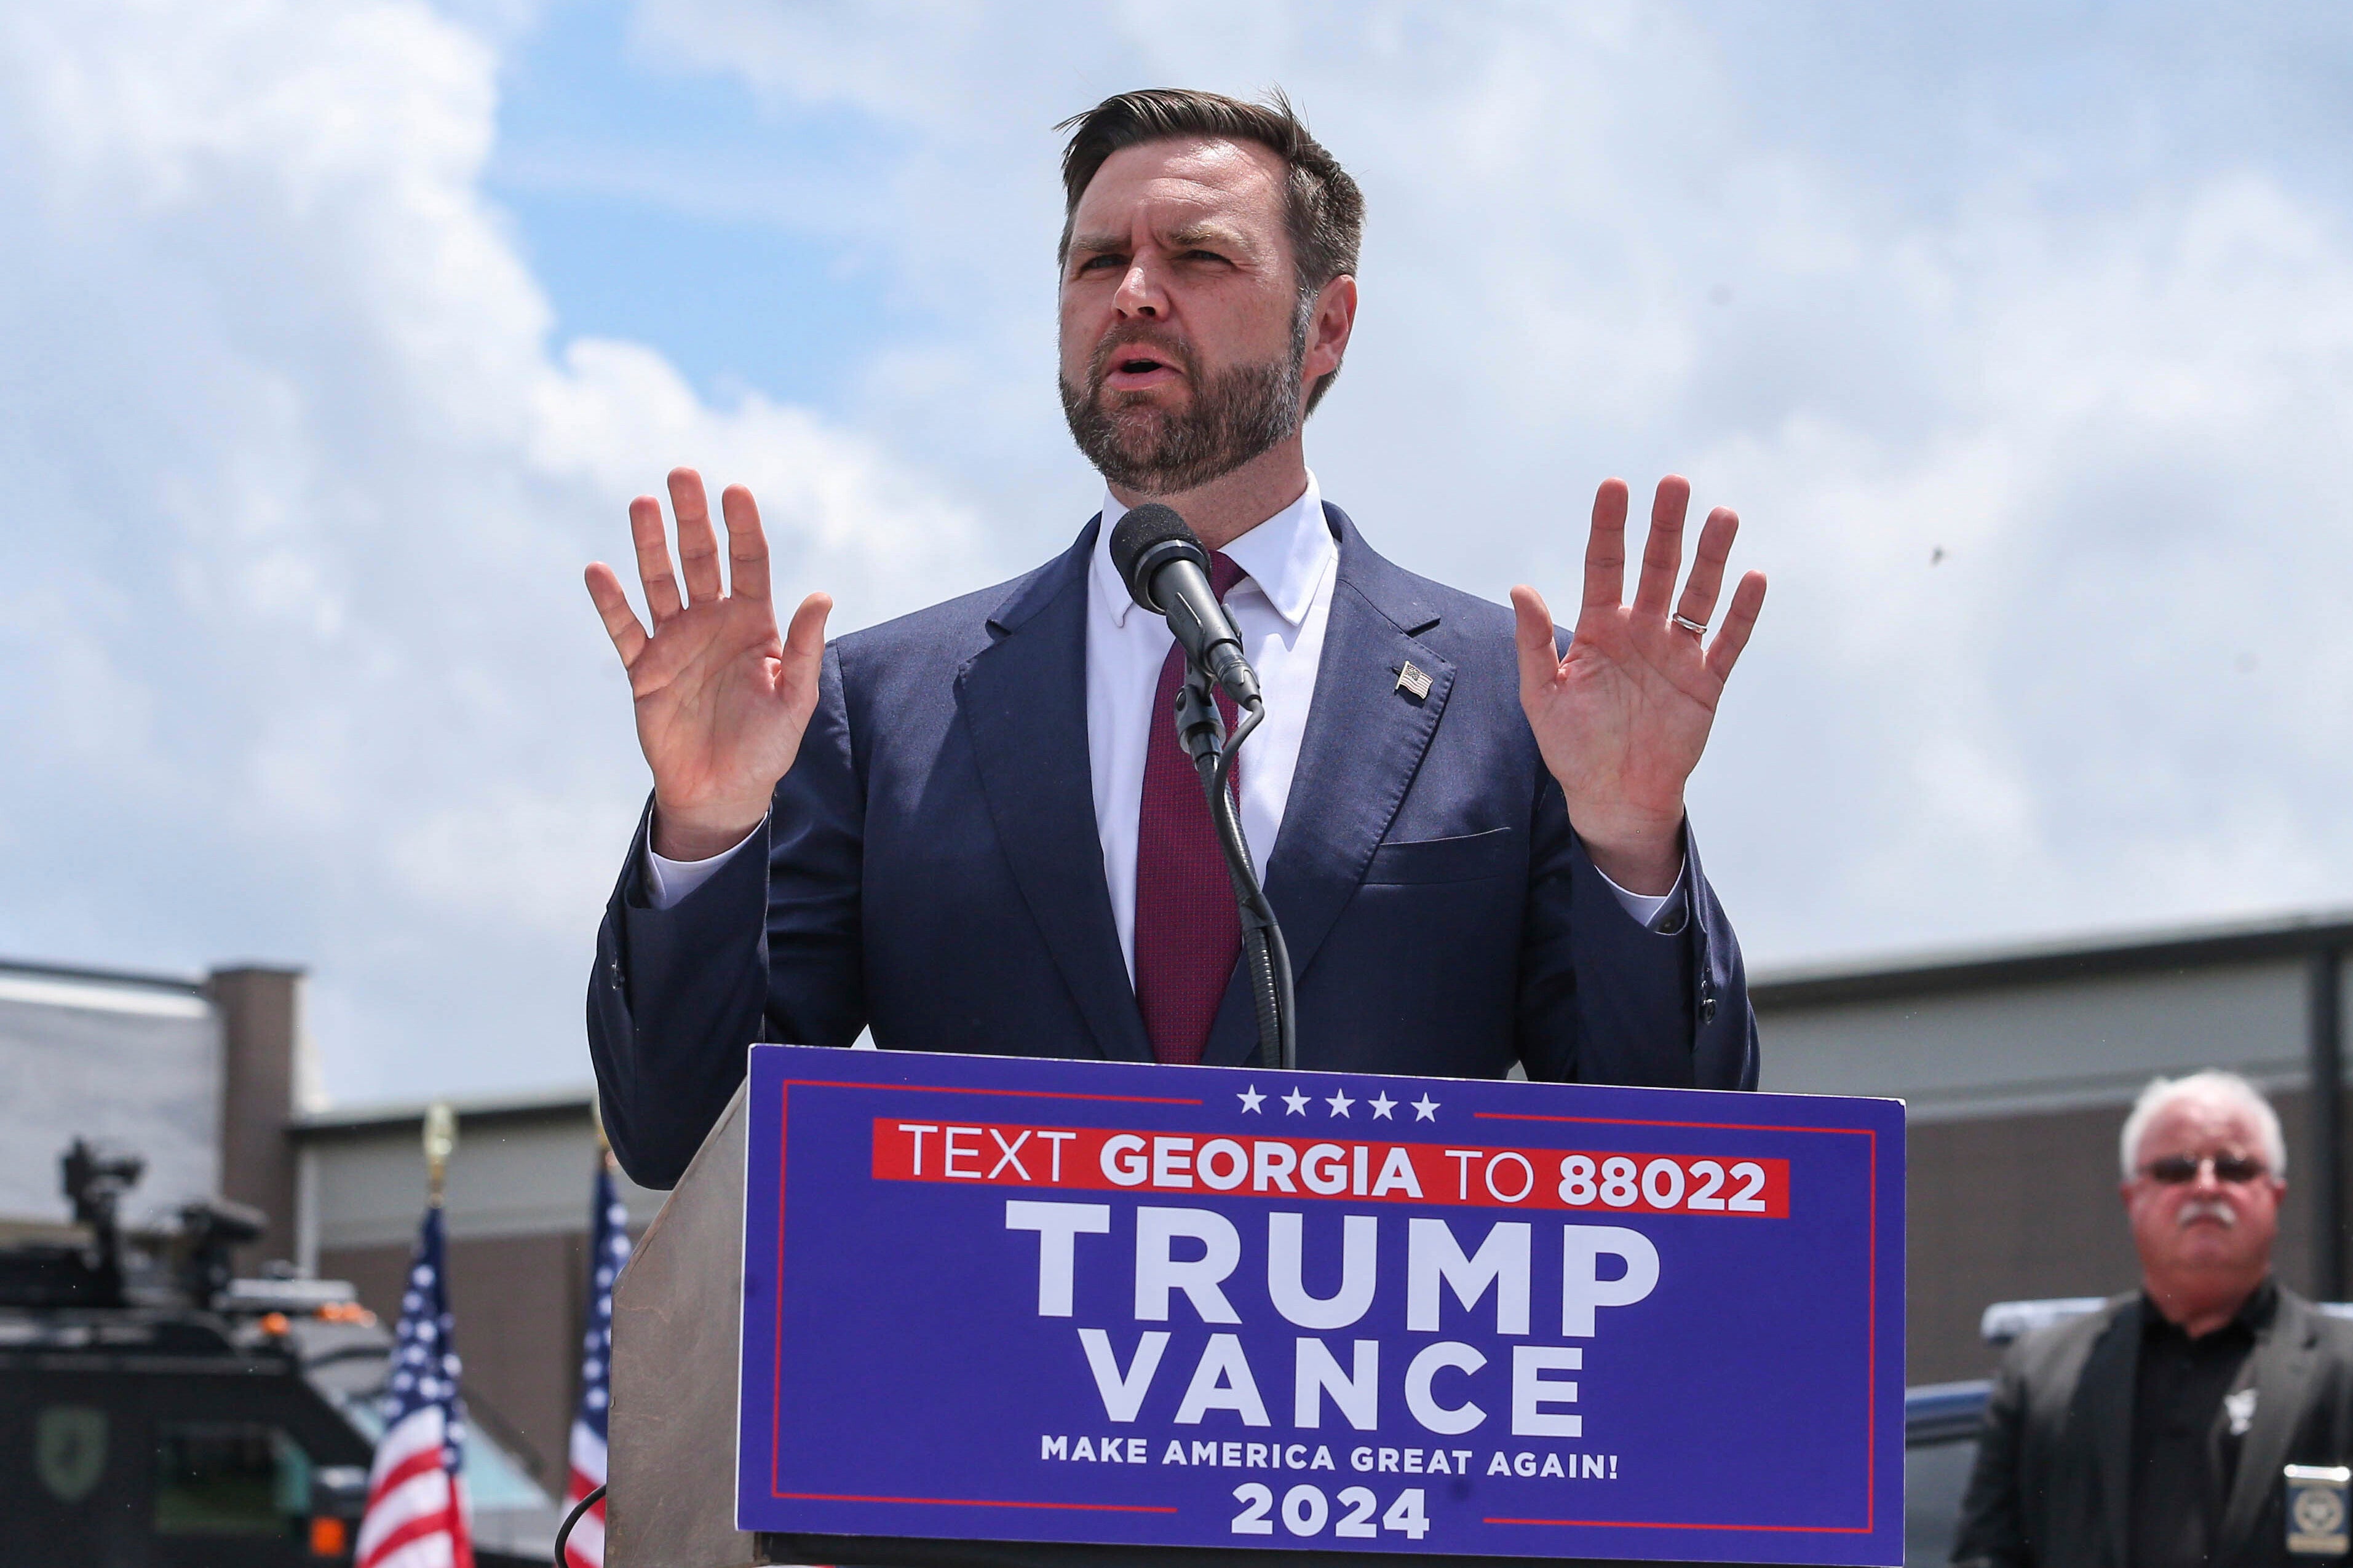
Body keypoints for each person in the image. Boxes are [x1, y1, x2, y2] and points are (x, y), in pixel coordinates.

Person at [580, 89, 1769, 1189]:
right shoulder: (884, 707)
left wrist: (1630, 847)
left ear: (1328, 327)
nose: (1134, 294)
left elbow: (1664, 1157)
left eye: (1197, 257)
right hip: (986, 1406)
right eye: (1099, 262)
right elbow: (683, 1140)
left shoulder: (1513, 706)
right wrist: (707, 831)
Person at [1953, 1071, 2353, 1567]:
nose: (2206, 1187)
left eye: (2234, 1167)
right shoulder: (2041, 1373)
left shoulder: (2343, 1367)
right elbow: (1987, 1554)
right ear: (2131, 1198)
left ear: (2275, 1195)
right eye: (2175, 1169)